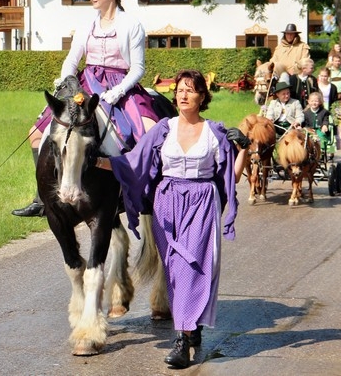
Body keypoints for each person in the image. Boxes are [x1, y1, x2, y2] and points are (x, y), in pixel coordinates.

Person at [93, 70, 247, 369]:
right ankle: (192, 323)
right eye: (179, 90)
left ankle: (182, 340)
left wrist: (244, 149)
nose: (182, 95)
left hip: (202, 202)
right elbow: (133, 162)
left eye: (190, 90)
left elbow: (233, 176)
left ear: (202, 96)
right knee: (175, 270)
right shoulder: (164, 128)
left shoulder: (214, 132)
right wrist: (98, 162)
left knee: (192, 268)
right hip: (167, 202)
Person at [13, 0, 158, 217]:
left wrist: (119, 91)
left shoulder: (132, 25)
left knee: (147, 128)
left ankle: (140, 190)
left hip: (120, 84)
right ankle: (42, 197)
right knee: (36, 133)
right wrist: (69, 82)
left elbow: (138, 68)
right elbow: (72, 60)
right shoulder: (86, 25)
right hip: (86, 83)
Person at [303, 91, 332, 156]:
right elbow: (305, 123)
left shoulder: (324, 112)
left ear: (320, 102)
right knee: (305, 138)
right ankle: (307, 152)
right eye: (312, 101)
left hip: (320, 129)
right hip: (309, 130)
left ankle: (320, 151)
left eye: (316, 101)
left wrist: (325, 125)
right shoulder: (306, 113)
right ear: (308, 101)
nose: (314, 103)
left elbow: (326, 120)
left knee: (321, 135)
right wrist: (308, 129)